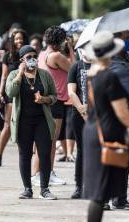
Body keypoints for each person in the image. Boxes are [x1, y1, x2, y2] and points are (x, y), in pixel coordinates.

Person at [82, 31, 129, 222]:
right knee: (100, 192)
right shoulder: (108, 77)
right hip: (106, 133)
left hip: (92, 131)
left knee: (98, 191)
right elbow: (122, 111)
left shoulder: (91, 74)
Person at [5, 45, 58, 200]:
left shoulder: (44, 75)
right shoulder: (14, 74)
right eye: (28, 57)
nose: (32, 59)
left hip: (42, 120)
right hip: (23, 122)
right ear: (22, 59)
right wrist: (20, 73)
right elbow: (10, 93)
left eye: (34, 56)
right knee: (25, 154)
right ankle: (27, 189)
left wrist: (45, 99)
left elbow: (55, 96)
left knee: (44, 153)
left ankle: (45, 189)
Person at [33, 25, 75, 186]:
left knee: (46, 140)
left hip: (47, 100)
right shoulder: (56, 56)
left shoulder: (43, 54)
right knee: (50, 140)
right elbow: (74, 68)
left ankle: (47, 172)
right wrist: (71, 49)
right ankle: (40, 174)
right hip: (55, 101)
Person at [106, 30, 129, 210]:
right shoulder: (107, 61)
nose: (128, 40)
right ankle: (104, 198)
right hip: (114, 111)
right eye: (125, 38)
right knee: (112, 154)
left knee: (126, 156)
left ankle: (120, 198)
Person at [0, 29, 29, 166]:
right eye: (16, 39)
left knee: (24, 126)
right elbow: (3, 76)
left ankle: (24, 156)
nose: (19, 41)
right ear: (12, 41)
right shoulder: (7, 57)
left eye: (21, 38)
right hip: (10, 94)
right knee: (8, 125)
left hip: (26, 94)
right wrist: (0, 95)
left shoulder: (30, 55)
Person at [67, 47, 92, 198]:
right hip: (79, 113)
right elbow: (71, 92)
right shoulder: (76, 66)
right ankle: (79, 186)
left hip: (97, 114)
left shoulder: (99, 65)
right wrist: (83, 110)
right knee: (82, 150)